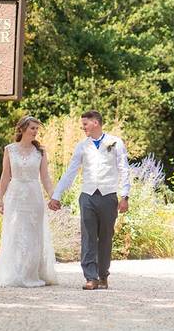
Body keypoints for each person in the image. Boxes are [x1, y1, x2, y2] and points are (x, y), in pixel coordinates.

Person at [48, 110, 130, 290]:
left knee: (106, 237)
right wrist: (56, 195)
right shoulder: (82, 146)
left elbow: (124, 169)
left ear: (95, 123)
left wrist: (125, 196)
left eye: (85, 123)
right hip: (87, 196)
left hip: (109, 196)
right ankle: (90, 277)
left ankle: (103, 275)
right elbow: (70, 172)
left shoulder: (116, 143)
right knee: (88, 237)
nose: (82, 127)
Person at [0, 116, 59, 288]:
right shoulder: (9, 150)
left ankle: (31, 273)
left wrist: (53, 195)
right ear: (22, 129)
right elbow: (5, 175)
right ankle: (14, 273)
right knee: (14, 233)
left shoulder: (41, 152)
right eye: (32, 128)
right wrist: (0, 199)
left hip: (33, 195)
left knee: (33, 235)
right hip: (15, 195)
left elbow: (45, 177)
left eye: (37, 129)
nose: (35, 132)